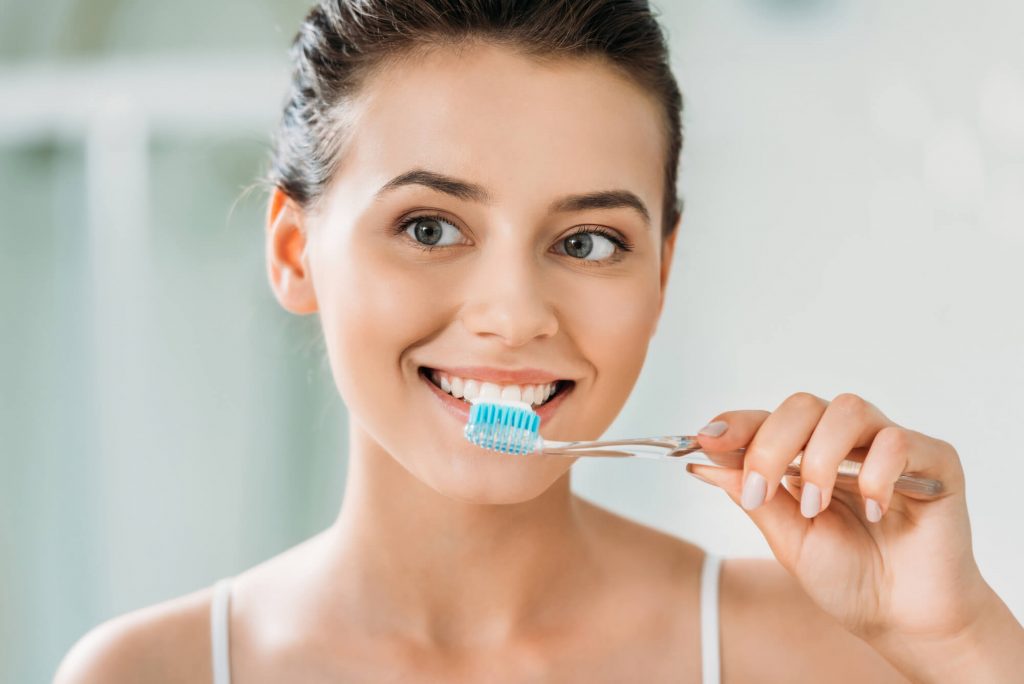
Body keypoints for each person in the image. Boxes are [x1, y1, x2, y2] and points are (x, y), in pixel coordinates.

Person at [55, 1, 1024, 682]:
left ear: (659, 273)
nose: (515, 313)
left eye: (587, 241)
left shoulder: (814, 656)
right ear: (295, 249)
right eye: (429, 227)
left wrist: (959, 643)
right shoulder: (146, 676)